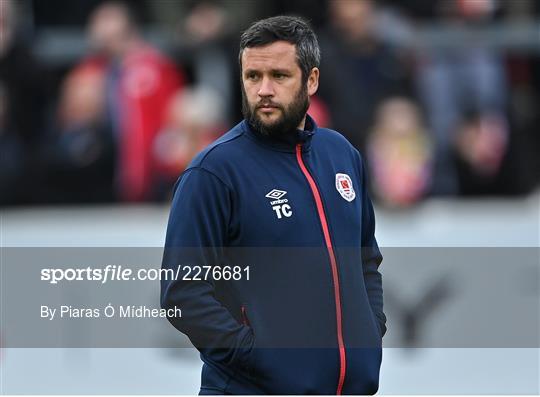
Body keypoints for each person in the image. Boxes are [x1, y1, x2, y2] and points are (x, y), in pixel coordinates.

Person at [161, 16, 386, 395]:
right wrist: (261, 357)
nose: (263, 89)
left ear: (311, 80)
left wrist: (369, 332)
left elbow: (365, 261)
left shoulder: (342, 155)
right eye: (253, 77)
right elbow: (182, 294)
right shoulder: (214, 171)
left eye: (279, 76)